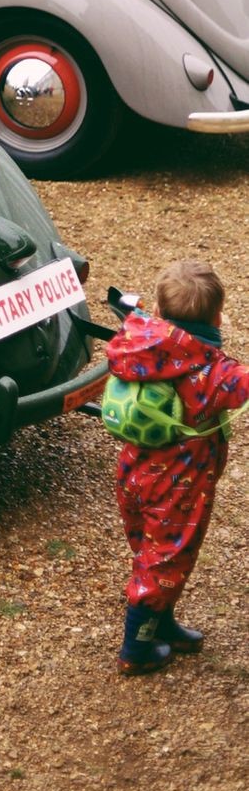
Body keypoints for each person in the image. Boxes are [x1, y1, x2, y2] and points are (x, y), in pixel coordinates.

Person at [104, 258, 249, 674]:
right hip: (178, 489)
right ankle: (137, 650)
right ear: (217, 315)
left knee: (151, 552)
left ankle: (161, 624)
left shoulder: (138, 346)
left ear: (160, 312)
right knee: (164, 560)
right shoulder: (215, 371)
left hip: (133, 473)